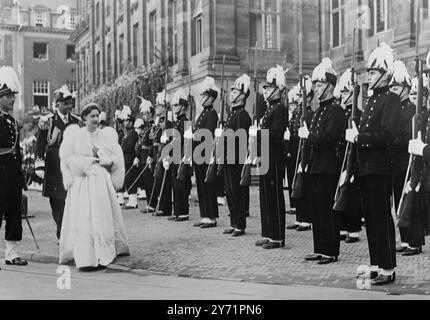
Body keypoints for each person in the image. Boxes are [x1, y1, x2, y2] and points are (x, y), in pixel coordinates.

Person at [346, 43, 401, 285]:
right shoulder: (371, 101)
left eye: (373, 73)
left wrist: (361, 138)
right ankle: (378, 264)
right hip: (367, 168)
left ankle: (388, 268)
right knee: (371, 219)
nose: (369, 76)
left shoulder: (390, 100)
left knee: (381, 219)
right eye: (369, 72)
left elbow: (386, 136)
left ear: (384, 74)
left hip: (379, 168)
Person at [59, 103, 130, 270]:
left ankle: (104, 253)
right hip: (83, 182)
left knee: (103, 215)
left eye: (97, 116)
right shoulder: (76, 136)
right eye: (92, 116)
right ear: (84, 118)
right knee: (85, 216)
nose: (96, 119)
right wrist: (85, 162)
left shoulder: (106, 136)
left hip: (101, 182)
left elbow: (116, 157)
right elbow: (69, 158)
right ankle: (87, 256)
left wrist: (105, 158)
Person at [299, 58, 344, 264]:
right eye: (315, 85)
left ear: (329, 86)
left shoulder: (335, 111)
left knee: (327, 211)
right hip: (316, 167)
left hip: (328, 167)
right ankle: (320, 247)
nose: (315, 89)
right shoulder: (318, 111)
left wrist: (309, 136)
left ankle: (330, 250)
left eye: (319, 85)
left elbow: (329, 139)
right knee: (317, 211)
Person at [35, 85, 80, 240]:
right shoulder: (48, 121)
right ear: (58, 104)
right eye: (65, 103)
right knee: (57, 201)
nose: (69, 106)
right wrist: (39, 164)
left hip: (71, 166)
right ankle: (61, 230)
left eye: (70, 103)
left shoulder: (76, 121)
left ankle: (68, 231)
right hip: (54, 166)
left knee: (71, 199)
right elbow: (40, 143)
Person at [254, 65, 288, 249]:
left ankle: (278, 237)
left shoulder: (280, 110)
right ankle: (267, 233)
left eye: (268, 87)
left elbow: (275, 134)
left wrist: (258, 133)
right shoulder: (268, 110)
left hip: (275, 158)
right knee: (265, 196)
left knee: (274, 197)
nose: (265, 91)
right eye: (265, 88)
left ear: (277, 89)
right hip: (266, 157)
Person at [387, 61, 418, 255]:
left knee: (408, 201)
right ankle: (405, 239)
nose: (393, 91)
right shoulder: (395, 108)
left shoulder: (410, 109)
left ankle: (413, 241)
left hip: (406, 161)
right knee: (398, 200)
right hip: (395, 162)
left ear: (406, 90)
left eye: (396, 88)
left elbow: (407, 136)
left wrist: (391, 140)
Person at [0, 66, 28, 267]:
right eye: (8, 96)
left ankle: (11, 253)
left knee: (13, 212)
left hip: (12, 172)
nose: (12, 100)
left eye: (13, 96)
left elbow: (15, 149)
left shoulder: (12, 121)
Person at [335, 68, 363, 244]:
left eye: (347, 91)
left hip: (353, 159)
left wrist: (351, 167)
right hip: (341, 157)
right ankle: (344, 226)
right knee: (342, 192)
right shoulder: (342, 113)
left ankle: (353, 229)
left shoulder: (357, 114)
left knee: (351, 194)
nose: (343, 95)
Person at [222, 74, 252, 237]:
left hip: (236, 159)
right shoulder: (233, 114)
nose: (231, 93)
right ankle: (234, 222)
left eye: (235, 91)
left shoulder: (242, 115)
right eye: (232, 91)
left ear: (242, 95)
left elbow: (240, 139)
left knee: (237, 192)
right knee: (230, 192)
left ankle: (240, 224)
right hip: (228, 157)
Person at [193, 77, 220, 229]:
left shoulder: (212, 114)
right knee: (201, 186)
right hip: (198, 153)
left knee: (208, 186)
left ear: (211, 98)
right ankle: (205, 215)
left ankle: (211, 216)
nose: (201, 99)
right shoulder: (202, 113)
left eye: (204, 96)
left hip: (206, 153)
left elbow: (208, 134)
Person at [288, 76, 314, 232]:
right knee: (296, 185)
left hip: (304, 154)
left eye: (300, 96)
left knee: (304, 186)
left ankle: (306, 218)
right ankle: (300, 216)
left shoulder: (309, 114)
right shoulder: (298, 114)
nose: (298, 99)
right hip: (294, 153)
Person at [167, 89, 192, 222]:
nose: (174, 107)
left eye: (176, 105)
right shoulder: (176, 122)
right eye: (174, 105)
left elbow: (187, 142)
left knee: (182, 184)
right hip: (174, 157)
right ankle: (177, 211)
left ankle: (183, 212)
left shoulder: (186, 122)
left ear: (182, 106)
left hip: (181, 157)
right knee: (175, 184)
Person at [151, 91, 174, 217]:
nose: (157, 108)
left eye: (159, 106)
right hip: (159, 153)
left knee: (165, 182)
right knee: (159, 180)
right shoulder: (160, 121)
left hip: (166, 154)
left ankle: (166, 208)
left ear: (165, 107)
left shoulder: (169, 121)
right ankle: (162, 206)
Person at [135, 98, 156, 210]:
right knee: (146, 182)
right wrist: (138, 157)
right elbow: (141, 143)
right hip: (143, 156)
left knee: (150, 182)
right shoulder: (145, 128)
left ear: (151, 114)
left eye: (146, 113)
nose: (144, 116)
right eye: (143, 114)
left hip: (148, 155)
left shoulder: (153, 127)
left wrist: (150, 156)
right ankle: (149, 203)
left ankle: (153, 203)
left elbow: (151, 143)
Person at [116, 106, 139, 209]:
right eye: (124, 121)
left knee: (131, 179)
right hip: (125, 160)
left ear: (131, 121)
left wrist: (120, 148)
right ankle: (130, 199)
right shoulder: (125, 133)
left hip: (130, 159)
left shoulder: (133, 133)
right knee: (127, 180)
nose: (125, 123)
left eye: (127, 121)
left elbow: (128, 147)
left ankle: (133, 201)